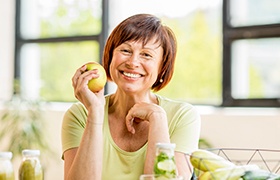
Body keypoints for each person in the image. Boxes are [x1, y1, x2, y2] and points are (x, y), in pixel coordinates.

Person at [61, 13, 201, 180]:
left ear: (162, 67)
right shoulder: (80, 115)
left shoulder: (182, 116)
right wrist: (96, 113)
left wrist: (157, 118)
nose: (133, 62)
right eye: (126, 50)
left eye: (146, 55)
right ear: (110, 57)